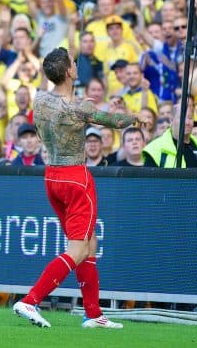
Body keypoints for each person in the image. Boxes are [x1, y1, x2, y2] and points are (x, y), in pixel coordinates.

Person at [12, 47, 140, 329]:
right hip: (76, 179)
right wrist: (134, 117)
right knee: (79, 248)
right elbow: (116, 123)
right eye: (73, 63)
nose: (75, 64)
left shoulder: (41, 99)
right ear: (69, 72)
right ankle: (30, 300)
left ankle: (93, 314)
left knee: (89, 243)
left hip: (52, 177)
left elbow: (57, 88)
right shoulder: (80, 107)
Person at [142, 99, 197, 168]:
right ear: (171, 120)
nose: (187, 122)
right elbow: (148, 179)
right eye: (182, 118)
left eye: (190, 118)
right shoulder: (155, 148)